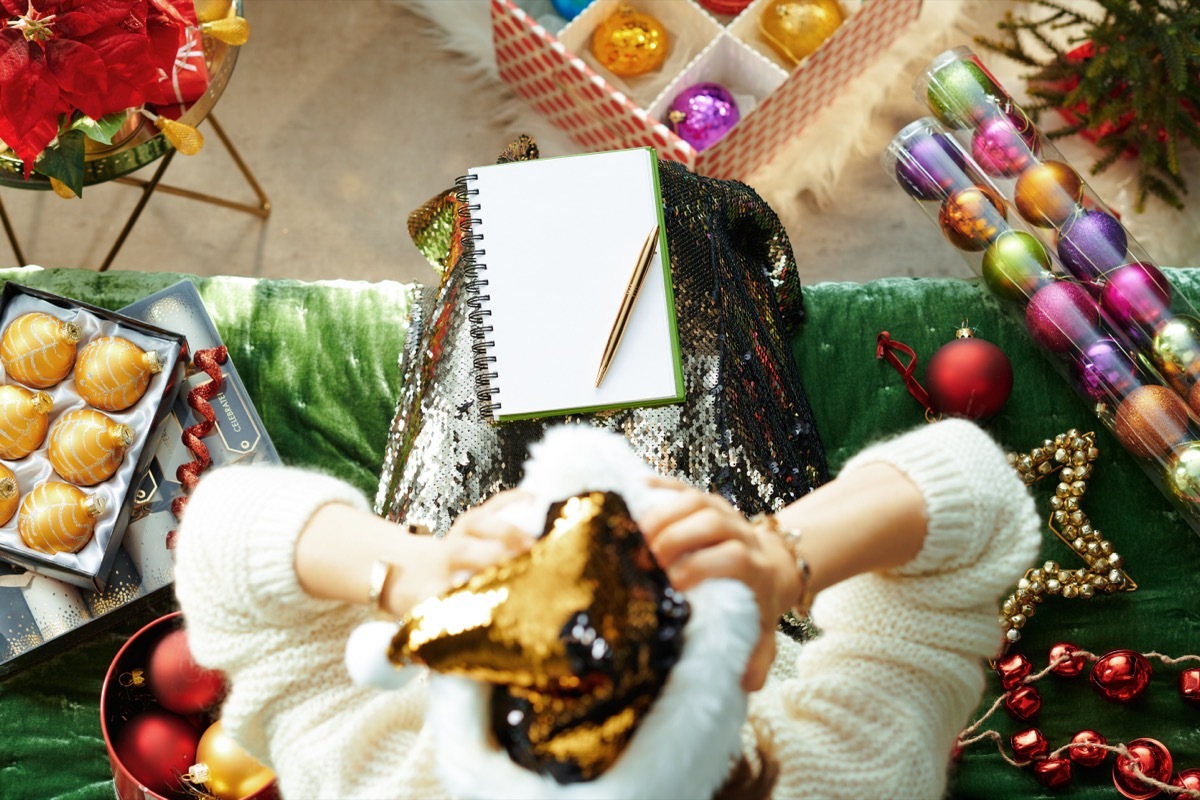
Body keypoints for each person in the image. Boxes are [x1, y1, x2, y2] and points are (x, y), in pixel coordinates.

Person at [174, 417, 1040, 799]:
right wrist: (785, 555)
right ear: (749, 660)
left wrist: (415, 568)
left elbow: (217, 536)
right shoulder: (855, 775)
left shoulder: (376, 778)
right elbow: (976, 491)